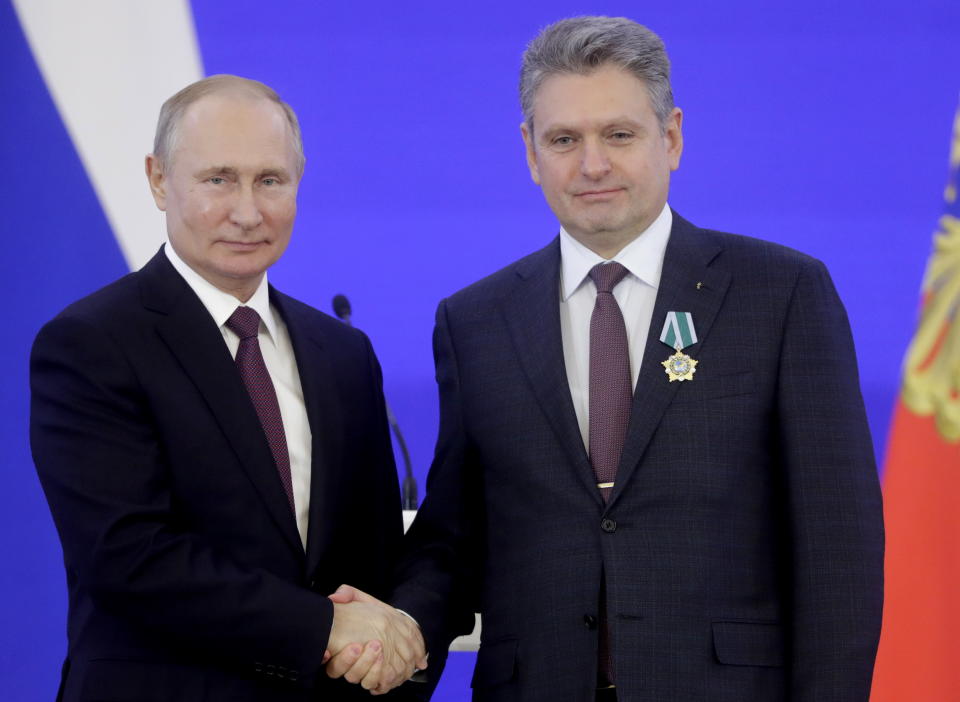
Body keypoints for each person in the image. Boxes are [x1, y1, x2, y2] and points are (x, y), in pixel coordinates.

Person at [338, 16, 884, 701]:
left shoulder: (782, 294)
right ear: (531, 153)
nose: (591, 164)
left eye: (618, 135)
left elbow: (838, 551)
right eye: (564, 139)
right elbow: (452, 538)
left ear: (672, 137)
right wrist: (399, 632)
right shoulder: (474, 321)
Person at [30, 74, 425, 701]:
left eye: (270, 180)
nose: (248, 211)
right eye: (219, 179)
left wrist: (389, 654)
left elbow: (376, 558)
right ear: (159, 180)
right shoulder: (91, 343)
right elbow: (129, 557)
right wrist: (324, 626)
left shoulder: (343, 354)